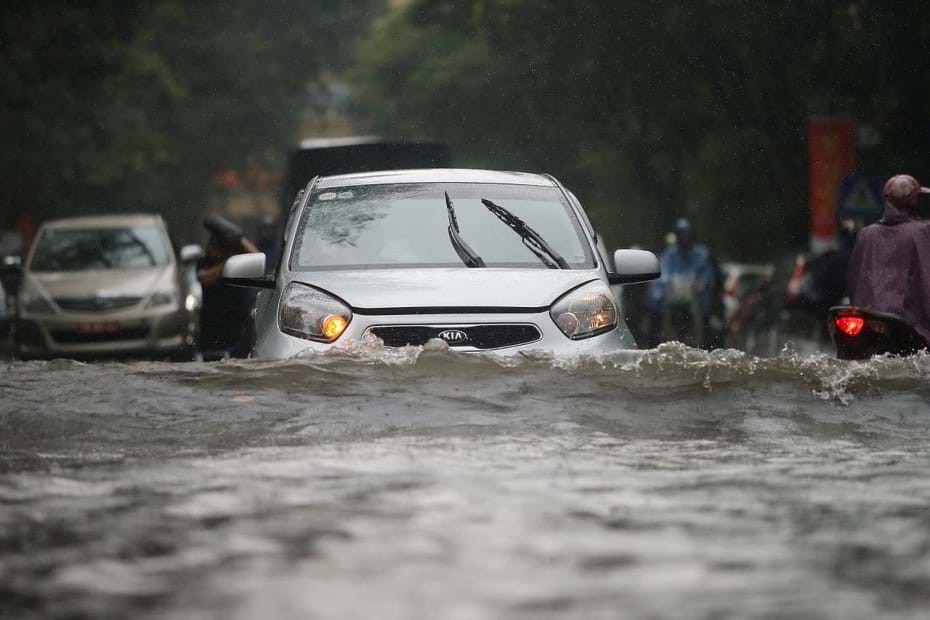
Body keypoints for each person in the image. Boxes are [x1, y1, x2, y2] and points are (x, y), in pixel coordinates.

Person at [846, 174, 930, 344]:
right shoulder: (923, 232)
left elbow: (852, 280)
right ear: (914, 203)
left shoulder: (866, 233)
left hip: (865, 318)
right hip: (910, 324)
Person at [650, 218, 720, 347]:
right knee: (657, 322)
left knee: (707, 322)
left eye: (687, 235)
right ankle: (663, 345)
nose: (685, 239)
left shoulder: (701, 254)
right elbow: (661, 276)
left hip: (696, 300)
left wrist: (701, 286)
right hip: (672, 300)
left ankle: (701, 346)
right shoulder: (669, 255)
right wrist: (659, 293)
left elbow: (707, 276)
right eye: (682, 235)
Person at [198, 215, 260, 359]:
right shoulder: (205, 263)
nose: (214, 251)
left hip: (237, 327)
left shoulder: (238, 259)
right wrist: (227, 264)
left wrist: (239, 239)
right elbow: (205, 278)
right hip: (213, 328)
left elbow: (256, 256)